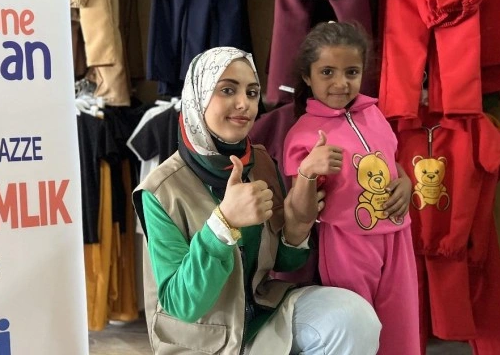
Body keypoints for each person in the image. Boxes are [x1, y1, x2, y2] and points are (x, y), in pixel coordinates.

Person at [133, 47, 381, 354]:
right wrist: (222, 226)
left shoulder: (259, 161)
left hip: (261, 315)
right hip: (203, 341)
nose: (244, 104)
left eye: (252, 93)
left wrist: (297, 227)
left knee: (353, 318)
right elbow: (182, 304)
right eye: (227, 90)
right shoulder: (160, 191)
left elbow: (284, 262)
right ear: (198, 96)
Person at [283, 22, 419, 355]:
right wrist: (308, 171)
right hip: (347, 243)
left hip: (398, 238)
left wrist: (406, 182)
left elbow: (390, 161)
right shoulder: (303, 134)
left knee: (401, 327)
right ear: (307, 76)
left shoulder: (374, 114)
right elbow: (299, 212)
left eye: (351, 72)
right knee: (359, 328)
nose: (341, 83)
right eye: (327, 72)